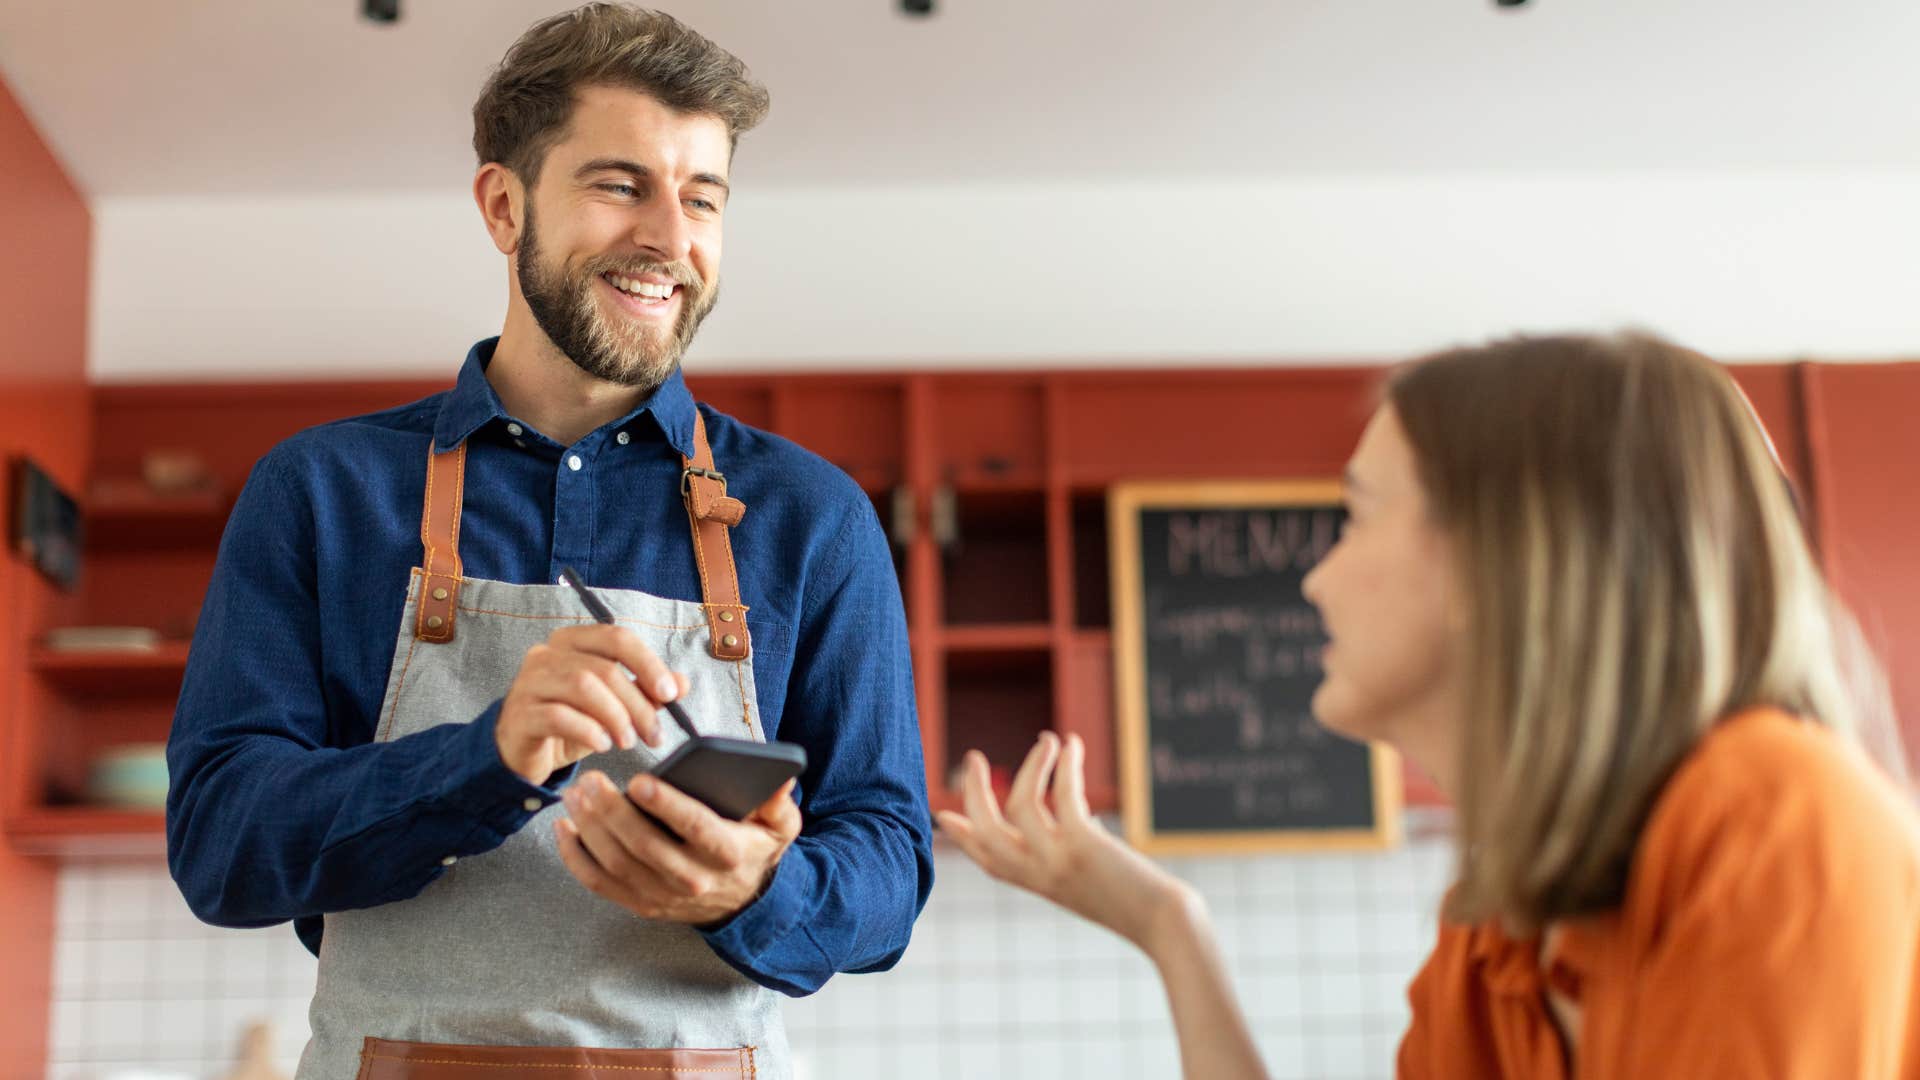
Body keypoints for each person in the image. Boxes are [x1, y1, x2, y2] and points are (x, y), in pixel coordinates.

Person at [164, 7, 932, 1078]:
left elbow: (890, 872)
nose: (670, 236)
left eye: (702, 196)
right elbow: (219, 846)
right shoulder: (322, 492)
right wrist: (483, 760)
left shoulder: (815, 519)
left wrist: (754, 891)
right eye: (620, 184)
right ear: (503, 204)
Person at [939, 332, 1920, 1079]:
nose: (1317, 579)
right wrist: (1167, 925)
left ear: (1503, 559)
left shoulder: (1775, 816)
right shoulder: (1496, 933)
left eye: (1358, 516)